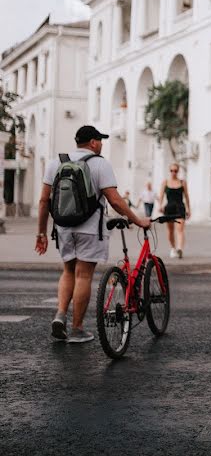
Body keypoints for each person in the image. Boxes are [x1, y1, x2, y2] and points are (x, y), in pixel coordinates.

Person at [34, 125, 150, 343]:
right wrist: (136, 220)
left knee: (68, 271)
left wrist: (40, 233)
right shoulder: (100, 164)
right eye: (101, 141)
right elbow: (114, 200)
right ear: (94, 143)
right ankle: (77, 329)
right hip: (90, 228)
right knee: (83, 275)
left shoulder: (56, 162)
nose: (102, 144)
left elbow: (43, 201)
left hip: (63, 227)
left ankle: (60, 314)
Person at [159, 163, 191, 259]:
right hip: (169, 208)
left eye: (175, 171)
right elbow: (161, 196)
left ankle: (179, 249)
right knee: (170, 230)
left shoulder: (182, 182)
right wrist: (160, 206)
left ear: (178, 171)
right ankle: (173, 248)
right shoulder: (165, 182)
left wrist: (189, 209)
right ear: (169, 171)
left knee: (180, 229)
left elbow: (186, 196)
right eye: (171, 170)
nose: (173, 172)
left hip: (180, 207)